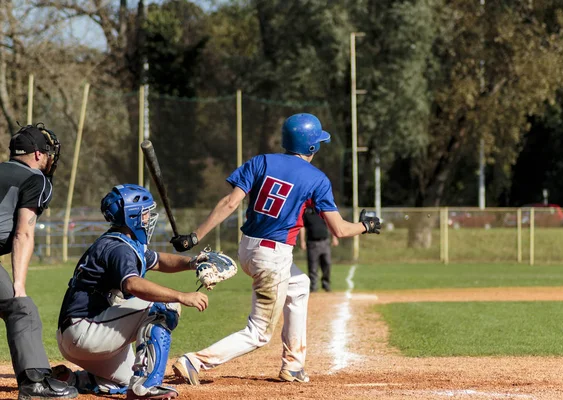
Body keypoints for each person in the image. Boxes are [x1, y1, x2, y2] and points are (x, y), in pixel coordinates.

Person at [169, 113, 381, 384]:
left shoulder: (260, 161)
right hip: (273, 257)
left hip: (248, 250)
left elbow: (229, 203)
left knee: (300, 285)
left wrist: (194, 236)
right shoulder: (317, 179)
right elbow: (339, 229)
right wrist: (366, 225)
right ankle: (194, 361)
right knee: (258, 333)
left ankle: (293, 365)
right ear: (311, 147)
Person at [52, 184, 210, 400]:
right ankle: (147, 386)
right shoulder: (119, 249)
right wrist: (182, 295)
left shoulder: (121, 241)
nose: (148, 218)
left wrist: (193, 262)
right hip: (86, 332)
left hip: (80, 333)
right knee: (167, 306)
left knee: (126, 381)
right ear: (132, 216)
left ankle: (73, 380)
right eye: (145, 213)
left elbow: (160, 260)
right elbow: (133, 285)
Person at [0, 124, 78, 400]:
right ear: (36, 154)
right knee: (22, 309)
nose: (50, 159)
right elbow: (23, 232)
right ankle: (35, 384)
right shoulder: (35, 179)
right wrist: (19, 285)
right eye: (48, 154)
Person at [299, 206, 339, 293]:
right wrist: (302, 241)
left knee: (327, 264)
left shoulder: (322, 212)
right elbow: (302, 227)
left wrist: (334, 238)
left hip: (325, 242)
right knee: (313, 267)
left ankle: (326, 285)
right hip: (312, 243)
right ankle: (313, 288)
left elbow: (330, 224)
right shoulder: (306, 214)